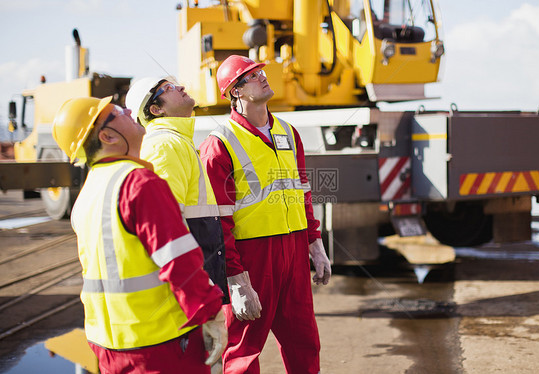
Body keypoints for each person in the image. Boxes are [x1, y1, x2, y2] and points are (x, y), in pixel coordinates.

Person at [51, 96, 227, 374]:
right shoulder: (138, 183)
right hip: (160, 346)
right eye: (118, 111)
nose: (130, 110)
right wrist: (211, 313)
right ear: (107, 135)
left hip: (107, 346)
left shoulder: (88, 193)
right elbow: (178, 260)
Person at [199, 55, 332, 374]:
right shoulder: (219, 145)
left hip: (294, 252)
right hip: (252, 258)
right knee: (243, 352)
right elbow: (218, 221)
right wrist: (235, 279)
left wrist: (315, 244)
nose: (263, 77)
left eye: (260, 72)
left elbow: (303, 192)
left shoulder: (288, 132)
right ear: (235, 92)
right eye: (251, 75)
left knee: (305, 343)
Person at [126, 77, 229, 305]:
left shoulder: (177, 142)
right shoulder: (164, 146)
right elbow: (167, 229)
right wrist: (200, 288)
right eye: (168, 88)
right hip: (190, 292)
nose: (181, 87)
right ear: (156, 109)